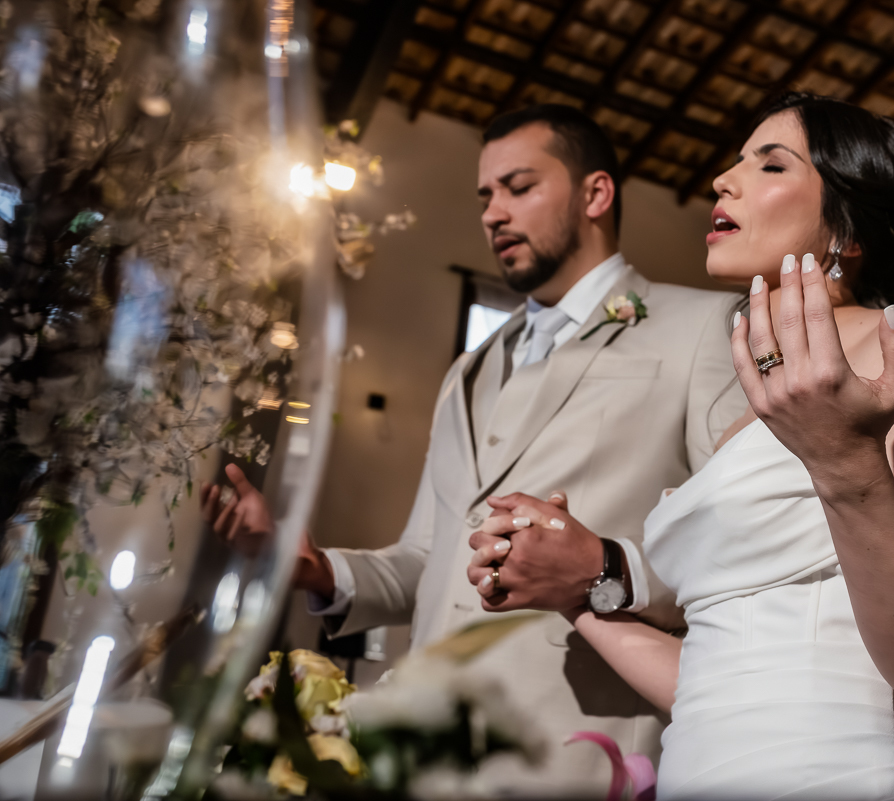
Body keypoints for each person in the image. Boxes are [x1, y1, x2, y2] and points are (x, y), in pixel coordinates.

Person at [201, 104, 747, 795]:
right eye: (486, 195)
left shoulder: (701, 326)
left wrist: (599, 568)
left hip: (577, 754)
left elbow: (737, 556)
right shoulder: (470, 368)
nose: (493, 212)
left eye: (519, 187)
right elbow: (431, 558)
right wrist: (315, 568)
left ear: (595, 193)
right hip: (427, 754)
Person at [469, 92, 894, 799]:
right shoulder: (743, 416)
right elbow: (716, 681)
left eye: (770, 163)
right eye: (735, 160)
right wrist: (572, 594)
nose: (723, 178)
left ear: (848, 232)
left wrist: (844, 462)